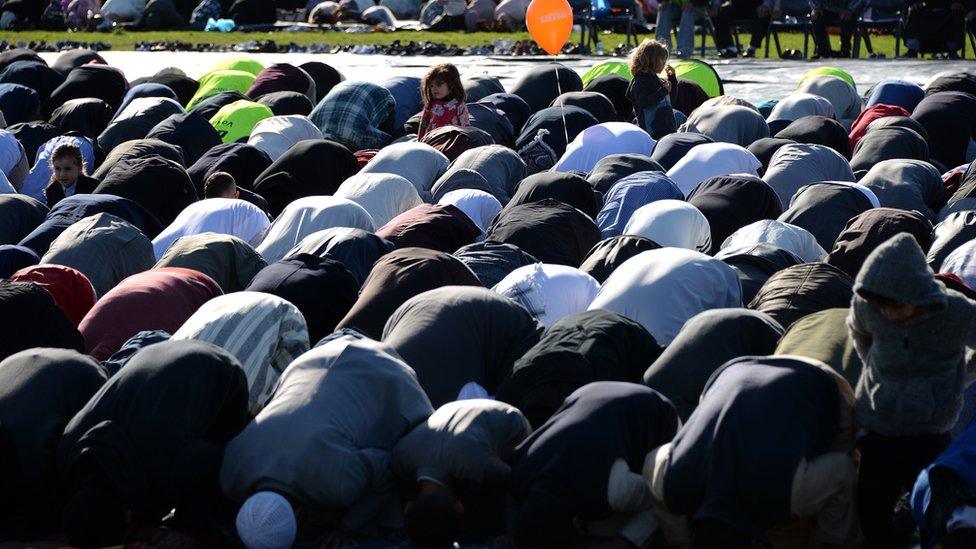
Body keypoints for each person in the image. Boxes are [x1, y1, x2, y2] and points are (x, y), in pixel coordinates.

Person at [220, 333, 434, 547]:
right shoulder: (231, 472)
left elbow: (385, 467)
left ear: (300, 515)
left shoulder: (335, 483)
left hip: (386, 371)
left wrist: (348, 528)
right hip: (312, 359)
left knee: (415, 464)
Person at [645, 356, 857, 547]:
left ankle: (828, 541)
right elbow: (652, 462)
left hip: (822, 378)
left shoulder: (781, 492)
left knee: (846, 461)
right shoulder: (671, 483)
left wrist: (680, 541)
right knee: (842, 465)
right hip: (733, 371)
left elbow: (843, 462)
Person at [847, 234, 976, 548]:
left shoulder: (954, 311)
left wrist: (960, 377)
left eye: (897, 305)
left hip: (929, 429)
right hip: (880, 426)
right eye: (882, 305)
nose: (889, 313)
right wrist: (878, 372)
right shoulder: (869, 304)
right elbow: (859, 333)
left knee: (932, 504)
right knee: (871, 510)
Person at [393, 399, 531, 546]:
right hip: (454, 409)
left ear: (460, 506)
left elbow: (519, 482)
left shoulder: (479, 465)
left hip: (512, 420)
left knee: (513, 484)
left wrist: (511, 533)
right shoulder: (399, 455)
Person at [626, 39, 677, 139]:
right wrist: (663, 91)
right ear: (652, 60)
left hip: (667, 128)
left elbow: (671, 101)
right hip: (651, 132)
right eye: (663, 60)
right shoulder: (639, 82)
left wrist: (672, 79)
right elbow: (644, 102)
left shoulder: (657, 79)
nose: (664, 63)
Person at [417, 63, 470, 140]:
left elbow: (465, 127)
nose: (434, 89)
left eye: (439, 85)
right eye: (431, 86)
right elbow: (423, 125)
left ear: (451, 85)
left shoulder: (458, 105)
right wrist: (420, 141)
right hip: (432, 140)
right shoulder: (431, 104)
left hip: (450, 141)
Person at [902, 0, 971, 58]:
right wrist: (915, 3)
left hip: (949, 8)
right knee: (915, 11)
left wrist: (959, 2)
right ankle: (913, 50)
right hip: (926, 8)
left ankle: (952, 50)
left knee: (956, 12)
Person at [713, 0, 780, 58]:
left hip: (756, 6)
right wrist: (716, 3)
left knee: (764, 14)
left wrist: (766, 5)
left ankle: (752, 49)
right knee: (720, 13)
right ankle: (730, 49)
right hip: (736, 6)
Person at [43, 143, 98, 208]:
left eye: (67, 169)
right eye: (57, 169)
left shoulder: (93, 185)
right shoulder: (51, 190)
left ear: (79, 168)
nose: (62, 174)